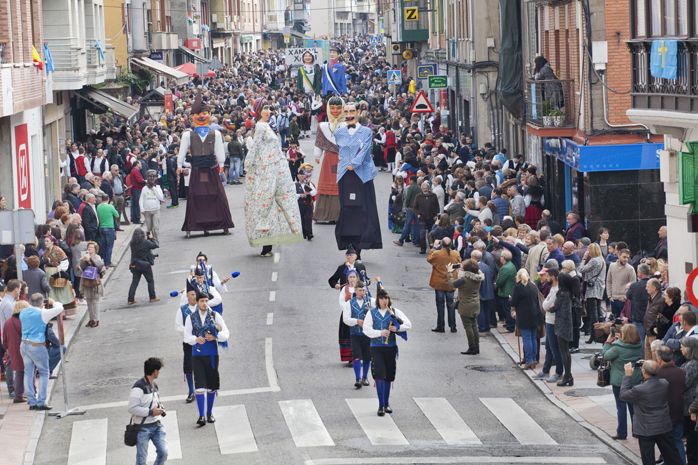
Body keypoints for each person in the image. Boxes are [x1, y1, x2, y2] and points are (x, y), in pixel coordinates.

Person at [244, 98, 303, 257]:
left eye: (269, 109)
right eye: (265, 109)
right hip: (267, 169)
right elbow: (255, 146)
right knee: (267, 203)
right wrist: (249, 165)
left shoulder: (267, 126)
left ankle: (269, 241)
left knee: (275, 202)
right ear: (258, 111)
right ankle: (265, 242)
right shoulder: (261, 126)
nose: (268, 112)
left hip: (275, 167)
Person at [177, 93, 234, 238]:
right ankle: (192, 225)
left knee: (218, 195)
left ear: (209, 114)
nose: (201, 116)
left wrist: (221, 164)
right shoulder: (187, 135)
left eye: (204, 113)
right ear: (192, 116)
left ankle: (223, 224)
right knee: (195, 196)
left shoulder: (215, 133)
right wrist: (180, 164)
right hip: (196, 169)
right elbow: (182, 152)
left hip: (211, 169)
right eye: (198, 114)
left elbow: (219, 151)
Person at [334, 102, 382, 257]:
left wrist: (353, 164)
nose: (349, 114)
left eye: (352, 111)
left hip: (362, 175)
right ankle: (350, 244)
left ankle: (360, 246)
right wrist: (344, 167)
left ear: (357, 112)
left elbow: (365, 150)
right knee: (347, 209)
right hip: (344, 175)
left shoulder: (366, 131)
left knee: (364, 209)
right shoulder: (339, 132)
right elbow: (339, 151)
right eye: (346, 111)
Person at [620, 360, 683, 465]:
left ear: (644, 372)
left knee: (648, 459)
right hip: (663, 426)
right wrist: (649, 366)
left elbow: (623, 395)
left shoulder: (639, 390)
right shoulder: (664, 383)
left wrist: (627, 376)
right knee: (672, 456)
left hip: (646, 429)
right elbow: (651, 380)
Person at [183, 291, 230, 426]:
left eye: (206, 301)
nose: (204, 303)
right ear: (197, 303)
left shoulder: (215, 316)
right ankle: (201, 415)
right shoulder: (190, 318)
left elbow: (226, 333)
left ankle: (209, 413)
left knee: (211, 386)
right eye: (202, 301)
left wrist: (216, 337)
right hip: (197, 356)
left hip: (211, 356)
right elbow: (186, 337)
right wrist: (195, 339)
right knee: (199, 386)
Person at [362, 288, 412, 416]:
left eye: (386, 298)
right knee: (379, 375)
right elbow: (366, 330)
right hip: (376, 347)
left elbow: (408, 324)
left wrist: (397, 328)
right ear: (377, 300)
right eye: (381, 298)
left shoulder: (394, 312)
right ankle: (381, 405)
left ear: (389, 300)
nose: (384, 301)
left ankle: (386, 402)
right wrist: (380, 332)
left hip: (390, 348)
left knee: (389, 376)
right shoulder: (371, 313)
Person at [20, 294, 64, 410]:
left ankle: (31, 401)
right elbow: (59, 308)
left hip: (24, 344)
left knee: (28, 373)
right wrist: (54, 302)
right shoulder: (42, 313)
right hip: (37, 345)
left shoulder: (23, 312)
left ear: (29, 301)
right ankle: (41, 402)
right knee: (44, 372)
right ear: (42, 303)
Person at [128, 357, 168, 465]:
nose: (159, 372)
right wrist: (151, 412)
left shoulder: (154, 385)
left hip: (157, 425)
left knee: (163, 452)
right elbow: (132, 408)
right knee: (141, 460)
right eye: (158, 370)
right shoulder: (138, 388)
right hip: (142, 428)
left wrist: (160, 408)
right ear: (155, 371)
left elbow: (155, 402)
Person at [342, 279, 381, 389]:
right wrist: (357, 321)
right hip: (355, 334)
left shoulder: (370, 301)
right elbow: (346, 319)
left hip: (367, 334)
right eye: (360, 290)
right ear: (355, 290)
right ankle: (358, 379)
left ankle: (365, 377)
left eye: (364, 290)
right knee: (357, 356)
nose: (362, 292)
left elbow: (380, 304)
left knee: (367, 356)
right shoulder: (349, 303)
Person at [313, 97, 344, 223]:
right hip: (328, 159)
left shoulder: (347, 125)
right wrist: (317, 155)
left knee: (341, 185)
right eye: (332, 108)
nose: (335, 110)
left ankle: (339, 215)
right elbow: (319, 143)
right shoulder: (323, 126)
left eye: (338, 108)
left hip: (343, 159)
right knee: (329, 184)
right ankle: (324, 214)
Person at [655, 344, 686, 464]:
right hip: (678, 412)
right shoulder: (681, 371)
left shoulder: (657, 374)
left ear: (659, 358)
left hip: (664, 414)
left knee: (666, 444)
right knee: (677, 441)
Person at [447, 259, 484, 354]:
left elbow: (452, 284)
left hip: (466, 305)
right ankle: (477, 347)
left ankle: (471, 348)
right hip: (475, 303)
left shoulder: (464, 280)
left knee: (468, 327)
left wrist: (449, 273)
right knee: (474, 326)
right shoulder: (478, 277)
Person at [427, 237, 461, 333]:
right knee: (451, 305)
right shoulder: (455, 253)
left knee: (440, 305)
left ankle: (441, 326)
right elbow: (459, 263)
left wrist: (434, 247)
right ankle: (453, 326)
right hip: (450, 281)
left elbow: (429, 259)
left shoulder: (437, 254)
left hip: (439, 282)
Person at [535, 268, 563, 383]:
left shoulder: (557, 290)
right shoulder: (552, 288)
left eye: (548, 276)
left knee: (555, 348)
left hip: (553, 322)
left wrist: (546, 304)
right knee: (549, 347)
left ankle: (558, 372)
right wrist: (546, 304)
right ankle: (546, 370)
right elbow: (545, 304)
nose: (546, 278)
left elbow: (546, 305)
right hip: (549, 320)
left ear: (554, 277)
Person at [510, 269, 541, 369]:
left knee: (527, 338)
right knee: (533, 338)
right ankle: (533, 360)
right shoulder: (533, 286)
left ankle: (529, 360)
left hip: (524, 315)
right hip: (534, 314)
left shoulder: (518, 287)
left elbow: (513, 302)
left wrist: (510, 299)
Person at [579, 243, 606, 344]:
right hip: (599, 288)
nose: (588, 252)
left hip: (592, 289)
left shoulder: (594, 260)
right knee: (598, 312)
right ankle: (599, 334)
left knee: (592, 313)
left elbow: (581, 269)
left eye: (589, 250)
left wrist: (583, 259)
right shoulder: (602, 259)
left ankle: (594, 335)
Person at [175, 289, 197, 403]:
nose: (194, 296)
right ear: (187, 296)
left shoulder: (203, 306)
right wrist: (189, 331)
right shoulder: (182, 310)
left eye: (195, 294)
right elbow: (178, 326)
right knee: (188, 367)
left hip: (202, 342)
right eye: (192, 294)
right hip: (188, 342)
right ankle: (191, 391)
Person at [3, 300, 28, 403]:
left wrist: (7, 348)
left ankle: (17, 393)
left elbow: (4, 338)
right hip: (24, 348)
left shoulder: (8, 321)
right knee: (27, 371)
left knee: (18, 371)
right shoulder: (23, 321)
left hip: (12, 349)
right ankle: (21, 394)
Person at [127, 229, 159, 305]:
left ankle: (130, 299)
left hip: (135, 264)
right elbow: (155, 245)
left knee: (134, 282)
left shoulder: (132, 243)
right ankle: (152, 297)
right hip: (145, 265)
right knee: (150, 281)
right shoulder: (145, 242)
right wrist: (151, 238)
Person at [77, 241, 105, 328]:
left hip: (94, 282)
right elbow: (80, 269)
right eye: (88, 247)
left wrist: (90, 260)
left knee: (95, 301)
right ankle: (91, 319)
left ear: (95, 249)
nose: (89, 249)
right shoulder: (84, 257)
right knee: (89, 301)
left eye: (91, 247)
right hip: (86, 281)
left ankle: (96, 319)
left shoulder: (97, 257)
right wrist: (81, 261)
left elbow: (100, 268)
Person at [606, 249, 636, 318]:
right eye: (624, 257)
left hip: (624, 300)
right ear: (619, 256)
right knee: (615, 322)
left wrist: (626, 297)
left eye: (627, 257)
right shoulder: (612, 266)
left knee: (624, 322)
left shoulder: (630, 269)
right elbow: (608, 281)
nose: (626, 259)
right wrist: (609, 296)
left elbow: (633, 284)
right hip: (613, 299)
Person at [628, 263, 651, 342]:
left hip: (638, 318)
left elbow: (628, 296)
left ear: (640, 274)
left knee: (640, 342)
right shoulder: (655, 284)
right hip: (651, 318)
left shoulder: (634, 286)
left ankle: (642, 354)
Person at [495, 249, 517, 332]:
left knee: (507, 310)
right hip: (509, 291)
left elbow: (499, 282)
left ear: (503, 258)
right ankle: (509, 324)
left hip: (505, 292)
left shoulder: (505, 268)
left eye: (501, 256)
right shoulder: (511, 265)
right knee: (508, 310)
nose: (500, 258)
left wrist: (496, 282)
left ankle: (510, 326)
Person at [139, 170, 164, 242]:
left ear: (156, 178)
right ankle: (149, 241)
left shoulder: (158, 187)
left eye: (154, 176)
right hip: (147, 211)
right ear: (147, 178)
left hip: (156, 210)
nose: (152, 178)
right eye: (150, 176)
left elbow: (161, 198)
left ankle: (156, 240)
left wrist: (154, 189)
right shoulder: (144, 188)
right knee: (149, 228)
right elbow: (141, 199)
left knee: (155, 227)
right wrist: (142, 209)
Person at [95, 193, 119, 266]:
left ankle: (104, 260)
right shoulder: (110, 207)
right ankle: (108, 262)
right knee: (109, 246)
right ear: (108, 199)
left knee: (104, 245)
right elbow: (117, 215)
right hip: (109, 228)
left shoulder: (98, 206)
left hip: (101, 227)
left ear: (102, 199)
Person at [295, 166, 317, 241]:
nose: (301, 177)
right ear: (297, 176)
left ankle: (309, 234)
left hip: (308, 204)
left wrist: (308, 193)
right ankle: (304, 233)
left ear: (304, 176)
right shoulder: (295, 185)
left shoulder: (308, 183)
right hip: (300, 205)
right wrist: (299, 195)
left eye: (302, 175)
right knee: (302, 219)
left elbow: (314, 192)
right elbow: (292, 195)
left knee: (308, 219)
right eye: (299, 175)